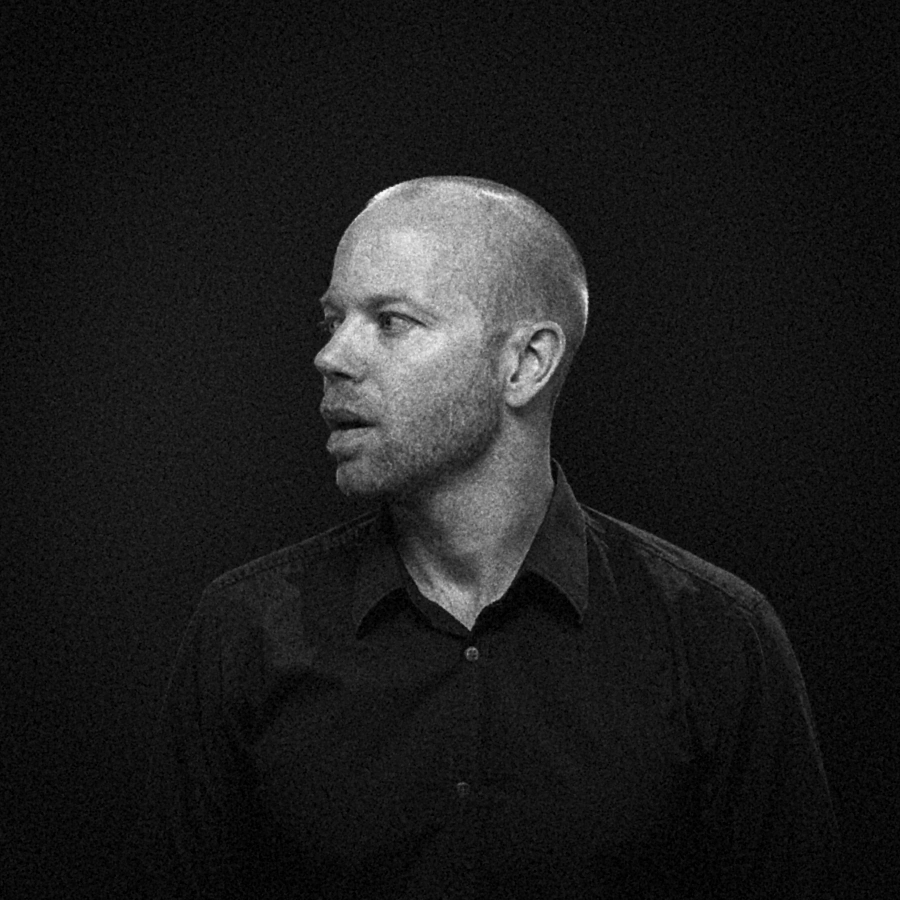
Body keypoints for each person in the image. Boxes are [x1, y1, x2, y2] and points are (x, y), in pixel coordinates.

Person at [135, 177, 838, 898]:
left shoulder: (715, 638)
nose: (332, 357)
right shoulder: (245, 633)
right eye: (333, 321)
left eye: (391, 321)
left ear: (526, 364)